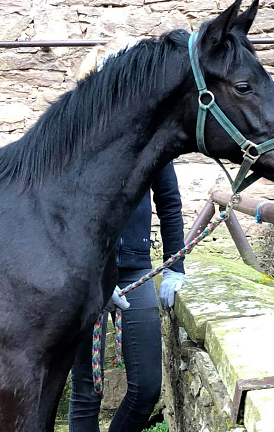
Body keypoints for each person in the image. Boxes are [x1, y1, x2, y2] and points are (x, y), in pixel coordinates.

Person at [69, 162, 187, 432]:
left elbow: (169, 203)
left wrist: (174, 268)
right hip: (86, 276)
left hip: (137, 270)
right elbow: (68, 205)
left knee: (146, 388)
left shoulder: (155, 137)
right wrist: (98, 277)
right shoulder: (85, 131)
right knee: (86, 391)